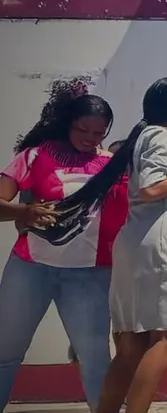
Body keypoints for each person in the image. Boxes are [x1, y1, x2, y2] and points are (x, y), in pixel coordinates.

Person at [48, 77, 167, 413]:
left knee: (130, 348)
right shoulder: (159, 136)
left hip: (136, 244)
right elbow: (150, 189)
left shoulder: (143, 137)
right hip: (156, 245)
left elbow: (155, 191)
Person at [0, 82, 128, 411]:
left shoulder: (111, 165)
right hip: (30, 269)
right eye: (82, 129)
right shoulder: (35, 156)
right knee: (5, 354)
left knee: (96, 361)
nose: (90, 138)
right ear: (67, 123)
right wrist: (24, 211)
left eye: (99, 132)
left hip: (89, 276)